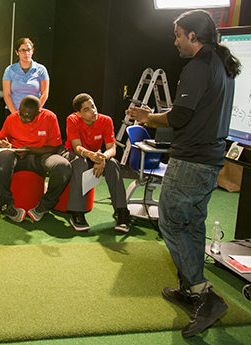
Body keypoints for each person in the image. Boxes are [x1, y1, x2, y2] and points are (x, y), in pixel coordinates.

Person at [126, 9, 241, 338]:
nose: (175, 41)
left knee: (171, 221)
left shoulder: (198, 67)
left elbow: (179, 117)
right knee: (192, 222)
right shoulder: (222, 65)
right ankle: (191, 290)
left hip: (192, 161)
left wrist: (148, 117)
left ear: (193, 36)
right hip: (210, 160)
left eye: (178, 35)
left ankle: (203, 293)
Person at [0, 95, 70, 222]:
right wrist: (1, 143)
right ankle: (5, 205)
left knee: (63, 167)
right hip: (16, 156)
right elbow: (0, 138)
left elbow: (54, 148)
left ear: (38, 113)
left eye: (28, 116)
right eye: (21, 114)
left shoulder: (50, 117)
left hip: (41, 157)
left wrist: (29, 150)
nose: (23, 119)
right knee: (0, 162)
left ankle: (45, 205)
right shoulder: (11, 118)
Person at [62, 93, 131, 232]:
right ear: (79, 113)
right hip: (73, 154)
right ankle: (77, 213)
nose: (93, 111)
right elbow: (77, 147)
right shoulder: (72, 120)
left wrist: (102, 158)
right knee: (80, 163)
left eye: (93, 106)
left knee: (113, 163)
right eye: (86, 110)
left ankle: (122, 211)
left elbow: (112, 148)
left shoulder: (106, 120)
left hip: (95, 154)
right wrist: (92, 156)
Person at [2, 38, 50, 113]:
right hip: (13, 112)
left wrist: (35, 111)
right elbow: (7, 94)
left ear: (32, 51)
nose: (26, 53)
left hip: (35, 113)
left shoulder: (41, 69)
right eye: (23, 50)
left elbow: (45, 94)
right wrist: (14, 114)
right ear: (17, 52)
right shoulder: (9, 70)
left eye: (28, 50)